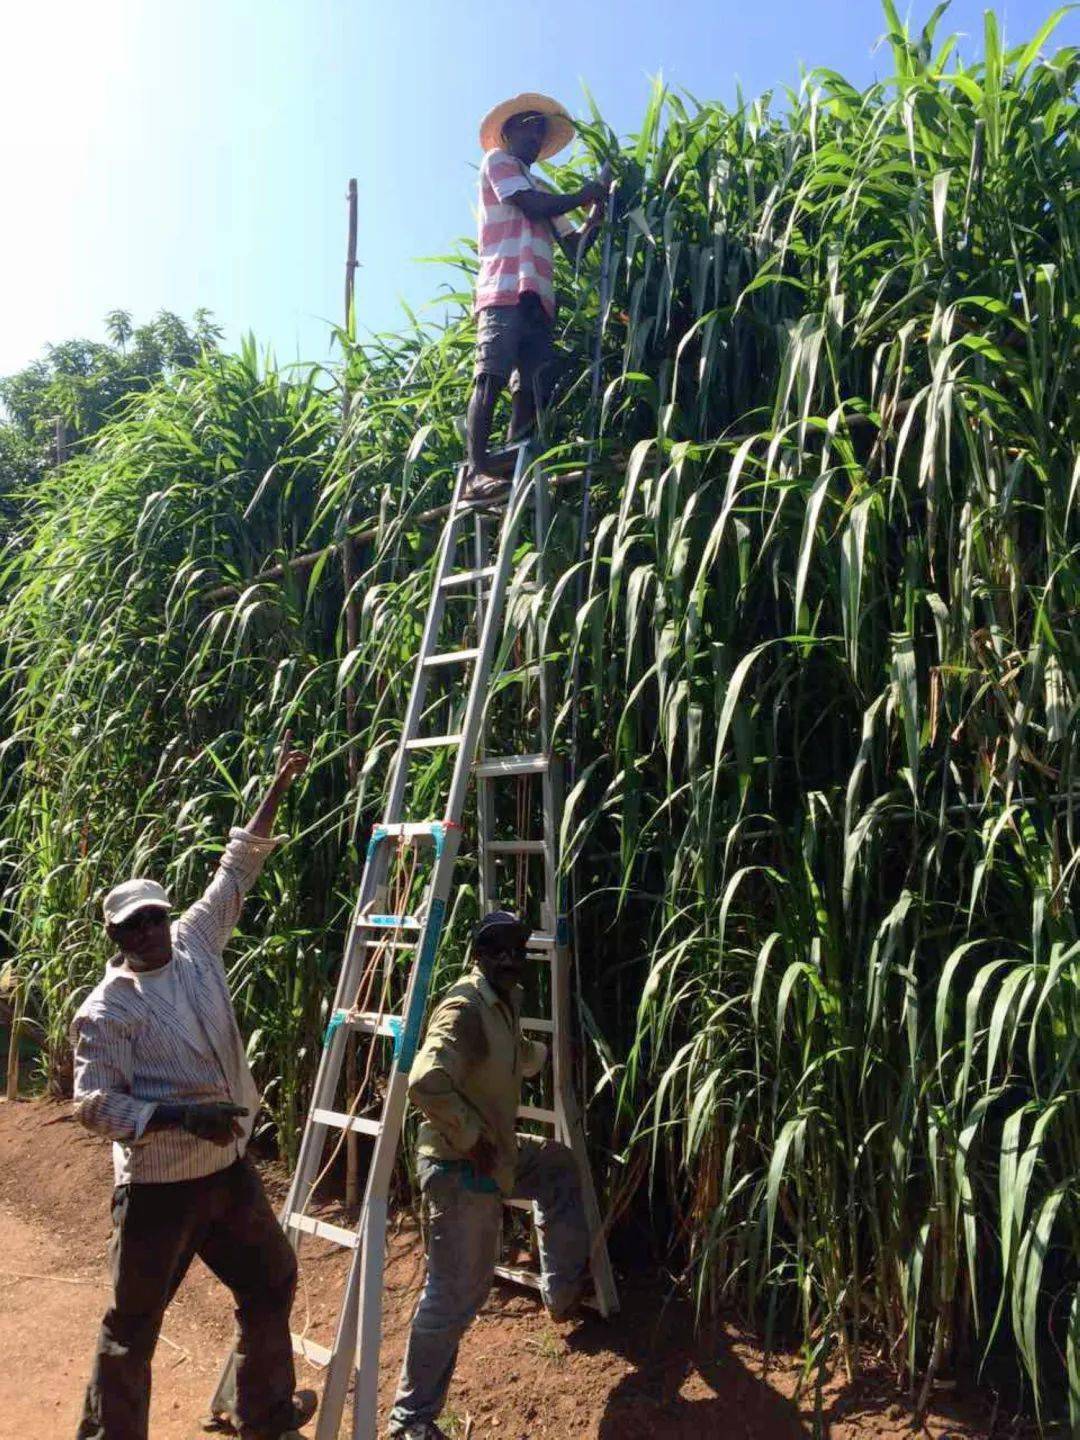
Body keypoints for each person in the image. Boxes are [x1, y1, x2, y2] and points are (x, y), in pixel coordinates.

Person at [71, 736, 317, 1440]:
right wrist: (175, 1115)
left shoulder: (195, 944)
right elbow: (93, 1104)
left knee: (271, 1281)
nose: (149, 930)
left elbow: (237, 867)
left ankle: (265, 1413)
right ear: (114, 934)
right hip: (160, 1189)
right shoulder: (106, 1009)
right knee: (133, 1327)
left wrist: (276, 785)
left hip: (229, 1171)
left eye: (155, 915)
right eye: (133, 924)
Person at [388, 910, 591, 1440]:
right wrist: (472, 1138)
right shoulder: (465, 1006)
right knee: (456, 1293)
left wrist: (549, 1054)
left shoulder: (503, 1005)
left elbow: (512, 1056)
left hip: (494, 1153)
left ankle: (560, 1293)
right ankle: (411, 1420)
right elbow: (427, 1079)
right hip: (459, 1166)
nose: (508, 959)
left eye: (516, 951)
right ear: (479, 954)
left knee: (555, 1166)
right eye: (496, 949)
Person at [465, 92, 610, 502]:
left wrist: (597, 209)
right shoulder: (499, 164)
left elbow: (575, 247)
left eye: (540, 130)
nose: (535, 135)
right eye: (528, 126)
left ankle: (514, 464)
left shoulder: (542, 187)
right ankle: (477, 470)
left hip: (538, 298)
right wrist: (586, 194)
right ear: (508, 132)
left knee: (530, 387)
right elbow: (528, 206)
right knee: (490, 376)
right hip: (503, 288)